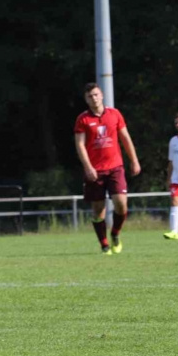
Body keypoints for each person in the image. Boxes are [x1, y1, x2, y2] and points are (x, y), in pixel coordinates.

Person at [73, 82, 142, 254]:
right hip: (95, 170)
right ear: (86, 100)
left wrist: (134, 160)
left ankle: (115, 233)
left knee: (121, 204)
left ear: (102, 95)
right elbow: (80, 145)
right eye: (90, 96)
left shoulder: (115, 114)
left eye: (96, 94)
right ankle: (104, 244)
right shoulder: (83, 119)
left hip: (115, 167)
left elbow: (125, 138)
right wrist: (88, 167)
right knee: (98, 209)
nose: (94, 98)